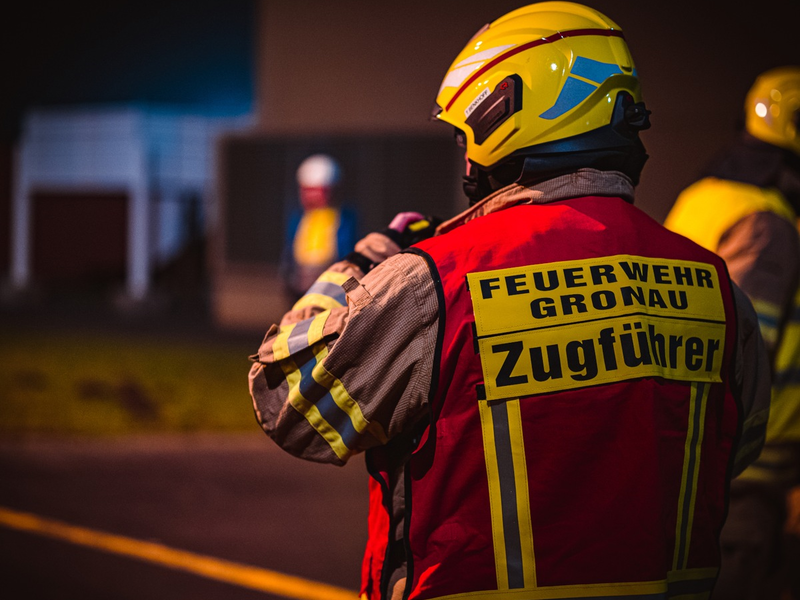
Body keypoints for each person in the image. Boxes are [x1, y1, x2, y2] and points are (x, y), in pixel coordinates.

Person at [249, 3, 771, 599]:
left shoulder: (438, 280)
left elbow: (287, 404)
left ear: (508, 115)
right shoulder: (718, 290)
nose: (468, 157)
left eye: (466, 134)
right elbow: (737, 446)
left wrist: (362, 265)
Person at [664, 66, 800, 600]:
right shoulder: (769, 221)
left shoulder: (706, 195)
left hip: (697, 450)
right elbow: (748, 355)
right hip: (749, 468)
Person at [280, 153, 358, 302]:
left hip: (332, 285)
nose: (312, 196)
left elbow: (347, 251)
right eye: (308, 191)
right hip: (300, 287)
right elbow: (289, 250)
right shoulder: (298, 218)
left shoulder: (345, 217)